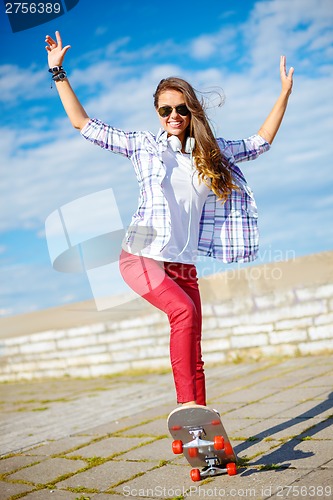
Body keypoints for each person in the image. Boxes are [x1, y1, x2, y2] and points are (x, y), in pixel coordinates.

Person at [45, 31, 294, 408]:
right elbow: (84, 124)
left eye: (180, 109)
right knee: (183, 311)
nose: (173, 116)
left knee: (193, 338)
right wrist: (58, 72)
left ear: (191, 110)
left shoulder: (212, 153)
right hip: (140, 255)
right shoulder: (143, 145)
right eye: (165, 110)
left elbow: (260, 142)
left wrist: (284, 95)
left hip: (182, 262)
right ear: (158, 114)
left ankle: (202, 424)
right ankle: (186, 407)